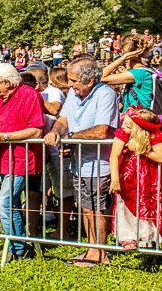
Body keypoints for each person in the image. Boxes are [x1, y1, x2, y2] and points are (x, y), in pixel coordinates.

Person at [43, 56, 117, 268]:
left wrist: (71, 138)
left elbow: (102, 130)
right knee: (85, 207)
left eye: (74, 80)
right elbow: (63, 120)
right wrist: (56, 132)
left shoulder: (105, 94)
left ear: (89, 81)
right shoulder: (75, 95)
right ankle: (92, 249)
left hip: (98, 163)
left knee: (96, 209)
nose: (70, 84)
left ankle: (100, 252)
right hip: (79, 163)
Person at [0, 63, 45, 262]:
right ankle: (19, 247)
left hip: (22, 159)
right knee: (12, 204)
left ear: (8, 83)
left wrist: (3, 137)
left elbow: (36, 130)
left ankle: (19, 248)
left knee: (4, 202)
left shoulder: (29, 95)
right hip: (2, 159)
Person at [108, 107, 162, 249]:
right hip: (128, 175)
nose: (123, 127)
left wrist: (141, 149)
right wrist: (115, 179)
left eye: (128, 125)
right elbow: (114, 155)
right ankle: (128, 236)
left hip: (150, 177)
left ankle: (146, 237)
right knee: (126, 204)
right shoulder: (123, 134)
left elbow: (161, 157)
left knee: (147, 203)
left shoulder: (153, 136)